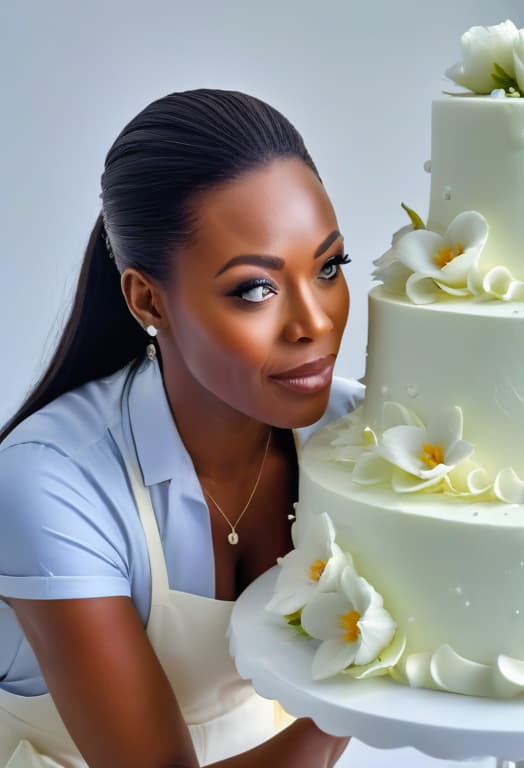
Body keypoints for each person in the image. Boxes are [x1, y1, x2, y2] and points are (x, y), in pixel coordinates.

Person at [0, 88, 357, 767]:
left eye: (330, 267)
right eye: (256, 287)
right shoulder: (48, 483)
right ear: (147, 298)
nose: (315, 323)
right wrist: (360, 700)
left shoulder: (358, 441)